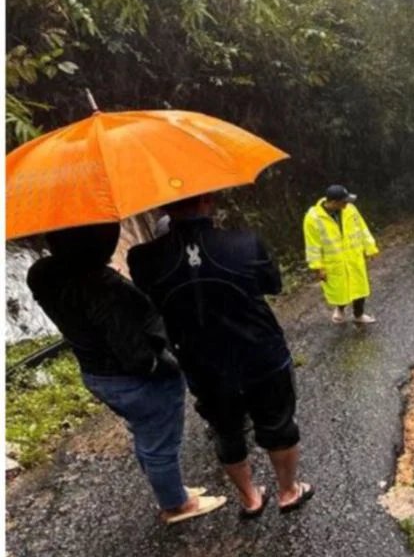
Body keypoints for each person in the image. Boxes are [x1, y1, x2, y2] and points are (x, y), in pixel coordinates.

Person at [27, 223, 227, 524]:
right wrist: (168, 367)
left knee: (146, 434)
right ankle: (176, 504)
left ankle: (171, 489)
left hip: (97, 373)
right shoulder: (103, 287)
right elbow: (134, 352)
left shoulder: (43, 274)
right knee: (160, 441)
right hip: (133, 377)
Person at [129, 193, 313, 516]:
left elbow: (150, 303)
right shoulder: (244, 242)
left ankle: (251, 499)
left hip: (201, 362)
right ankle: (288, 491)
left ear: (162, 207)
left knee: (226, 430)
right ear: (207, 201)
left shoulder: (143, 258)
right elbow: (272, 284)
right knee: (279, 422)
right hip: (260, 352)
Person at [303, 185, 378, 324]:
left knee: (359, 287)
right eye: (344, 201)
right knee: (340, 289)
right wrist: (317, 267)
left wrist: (370, 247)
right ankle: (340, 309)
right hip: (333, 261)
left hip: (353, 257)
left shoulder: (350, 209)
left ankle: (359, 314)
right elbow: (312, 245)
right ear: (333, 202)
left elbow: (362, 228)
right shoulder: (313, 218)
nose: (347, 204)